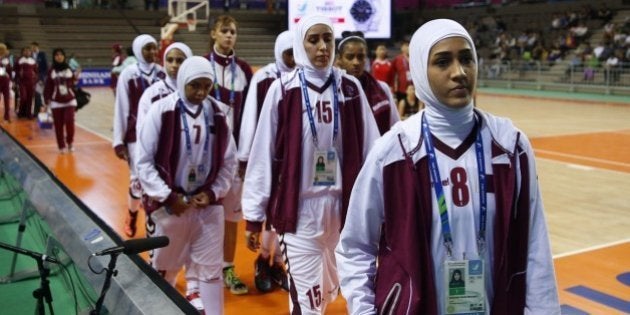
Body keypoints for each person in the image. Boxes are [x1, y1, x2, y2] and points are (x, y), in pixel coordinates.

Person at [335, 19, 560, 315]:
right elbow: (356, 246)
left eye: (466, 59)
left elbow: (535, 245)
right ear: (419, 71)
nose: (459, 72)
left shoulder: (511, 145)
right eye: (443, 62)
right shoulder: (393, 151)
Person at [241, 15, 380, 314]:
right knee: (307, 304)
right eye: (313, 40)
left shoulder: (351, 89)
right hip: (299, 213)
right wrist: (253, 215)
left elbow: (373, 151)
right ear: (300, 45)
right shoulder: (283, 90)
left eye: (327, 39)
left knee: (328, 295)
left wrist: (380, 207)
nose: (322, 47)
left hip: (344, 215)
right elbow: (262, 155)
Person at [136, 56, 237, 315]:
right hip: (172, 207)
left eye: (206, 86)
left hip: (207, 206)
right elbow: (144, 162)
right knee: (165, 269)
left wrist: (214, 192)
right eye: (195, 85)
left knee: (211, 271)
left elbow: (229, 162)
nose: (201, 92)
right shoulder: (162, 110)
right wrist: (168, 197)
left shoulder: (218, 112)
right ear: (182, 82)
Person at [237, 30, 294, 294]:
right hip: (270, 156)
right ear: (278, 52)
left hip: (296, 158)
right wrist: (246, 155)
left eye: (297, 52)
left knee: (290, 215)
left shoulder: (305, 77)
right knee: (271, 214)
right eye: (288, 53)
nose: (293, 58)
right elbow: (250, 117)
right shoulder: (264, 78)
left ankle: (279, 264)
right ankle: (262, 259)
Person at [204, 14, 253, 296]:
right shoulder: (201, 65)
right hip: (205, 156)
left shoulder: (244, 70)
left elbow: (249, 116)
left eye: (233, 32)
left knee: (232, 215)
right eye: (224, 31)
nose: (229, 36)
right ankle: (202, 270)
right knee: (203, 215)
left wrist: (245, 156)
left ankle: (227, 267)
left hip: (233, 158)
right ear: (213, 33)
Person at [113, 34, 164, 238]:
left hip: (160, 136)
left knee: (157, 179)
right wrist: (119, 141)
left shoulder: (162, 74)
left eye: (154, 48)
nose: (152, 52)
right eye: (147, 49)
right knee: (137, 180)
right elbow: (121, 108)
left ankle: (154, 220)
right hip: (136, 137)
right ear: (137, 50)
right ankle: (132, 214)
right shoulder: (128, 74)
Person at [336, 31, 399, 135]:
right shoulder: (332, 91)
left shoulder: (383, 88)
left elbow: (395, 128)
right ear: (339, 60)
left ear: (366, 59)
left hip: (379, 149)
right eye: (350, 57)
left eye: (360, 57)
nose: (356, 62)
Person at [137, 42, 193, 131]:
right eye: (170, 60)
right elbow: (142, 129)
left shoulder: (196, 93)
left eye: (180, 61)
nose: (174, 65)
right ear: (164, 61)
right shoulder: (151, 93)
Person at [43, 48, 77, 154]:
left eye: (61, 54)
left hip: (69, 100)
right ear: (54, 57)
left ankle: (70, 142)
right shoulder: (51, 71)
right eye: (57, 55)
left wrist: (73, 81)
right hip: (56, 102)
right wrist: (46, 100)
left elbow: (73, 83)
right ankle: (61, 145)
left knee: (69, 122)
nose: (59, 56)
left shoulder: (69, 69)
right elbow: (48, 86)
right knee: (58, 125)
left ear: (64, 56)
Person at [15, 46, 38, 119]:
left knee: (30, 99)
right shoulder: (19, 60)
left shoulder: (33, 61)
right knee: (23, 97)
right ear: (22, 52)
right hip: (22, 82)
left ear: (31, 52)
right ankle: (20, 112)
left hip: (31, 82)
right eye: (25, 51)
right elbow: (15, 71)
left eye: (28, 51)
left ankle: (28, 114)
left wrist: (35, 79)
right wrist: (15, 80)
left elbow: (36, 71)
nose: (27, 52)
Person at [31, 42, 48, 116]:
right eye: (32, 47)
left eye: (34, 47)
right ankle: (36, 111)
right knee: (35, 94)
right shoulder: (30, 55)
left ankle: (39, 109)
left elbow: (46, 66)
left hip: (40, 77)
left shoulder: (42, 54)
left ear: (37, 47)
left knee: (38, 93)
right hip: (32, 77)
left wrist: (43, 77)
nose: (33, 48)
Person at [0, 43, 13, 123]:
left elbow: (9, 70)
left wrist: (11, 79)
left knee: (7, 99)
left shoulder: (7, 59)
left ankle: (7, 116)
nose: (5, 51)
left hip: (5, 80)